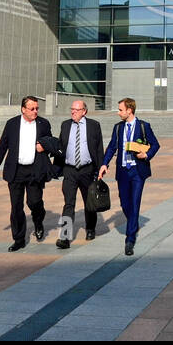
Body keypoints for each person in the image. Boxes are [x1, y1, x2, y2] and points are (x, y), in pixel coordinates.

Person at [0, 96, 55, 251]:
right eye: (32, 109)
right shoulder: (12, 124)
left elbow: (51, 142)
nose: (35, 111)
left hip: (35, 170)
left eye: (37, 108)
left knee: (34, 202)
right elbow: (3, 145)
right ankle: (18, 239)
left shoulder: (43, 124)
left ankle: (38, 221)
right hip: (16, 170)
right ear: (23, 109)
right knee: (16, 206)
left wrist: (44, 146)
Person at [98, 97, 159, 256]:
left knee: (135, 202)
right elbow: (112, 147)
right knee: (125, 203)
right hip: (123, 171)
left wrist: (146, 154)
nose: (118, 113)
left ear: (129, 110)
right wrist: (105, 164)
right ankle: (134, 222)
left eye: (120, 110)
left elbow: (155, 144)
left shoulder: (143, 126)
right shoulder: (118, 128)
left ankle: (130, 239)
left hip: (138, 171)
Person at [56, 99, 104, 249]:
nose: (73, 112)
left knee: (89, 202)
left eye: (76, 110)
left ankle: (90, 228)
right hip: (69, 170)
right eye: (72, 109)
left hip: (87, 170)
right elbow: (60, 146)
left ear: (84, 111)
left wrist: (101, 167)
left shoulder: (93, 125)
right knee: (68, 203)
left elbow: (98, 148)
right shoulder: (65, 125)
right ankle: (65, 237)